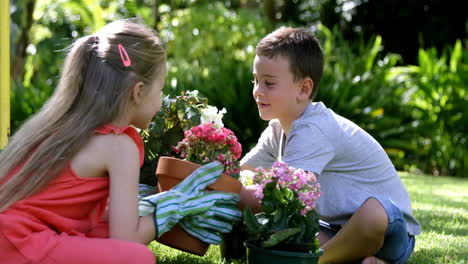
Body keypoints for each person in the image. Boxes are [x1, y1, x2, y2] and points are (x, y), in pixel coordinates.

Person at [0, 19, 241, 264]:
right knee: (137, 258)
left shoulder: (67, 130)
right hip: (17, 244)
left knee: (101, 231)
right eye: (160, 90)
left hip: (10, 237)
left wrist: (154, 204)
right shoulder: (118, 145)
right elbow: (125, 240)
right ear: (138, 91)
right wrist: (172, 208)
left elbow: (99, 222)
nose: (161, 101)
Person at [239, 27, 421, 264]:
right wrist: (217, 176)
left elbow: (279, 195)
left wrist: (222, 191)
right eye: (256, 80)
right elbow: (242, 171)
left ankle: (317, 261)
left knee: (375, 212)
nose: (257, 91)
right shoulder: (276, 130)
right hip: (334, 229)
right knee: (291, 233)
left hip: (391, 231)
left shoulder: (314, 128)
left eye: (269, 83)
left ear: (303, 89)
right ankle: (359, 259)